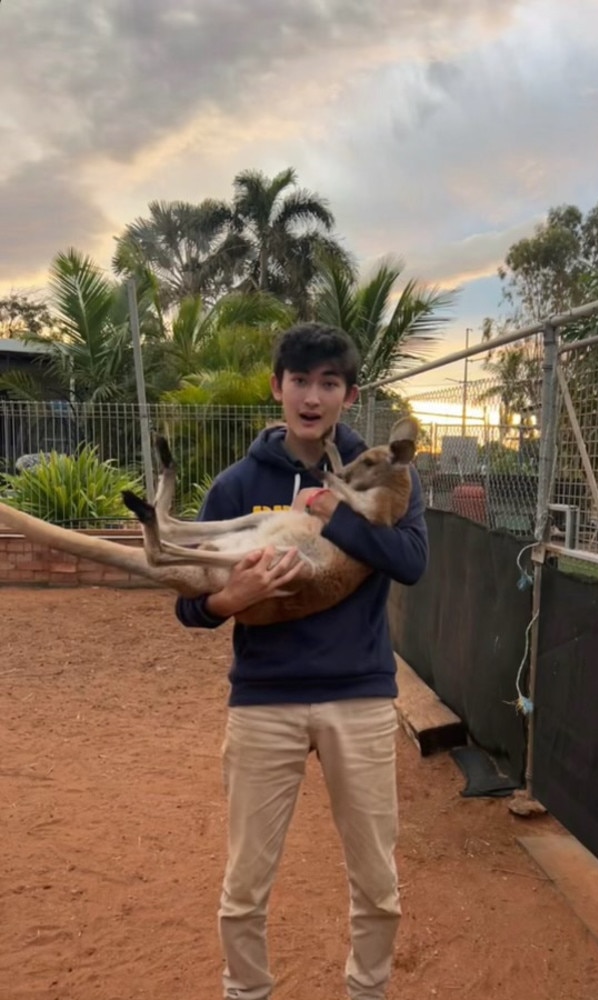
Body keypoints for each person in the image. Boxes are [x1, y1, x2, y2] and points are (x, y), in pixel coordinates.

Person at [175, 322, 428, 1000]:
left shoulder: (384, 473)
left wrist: (331, 510)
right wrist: (232, 598)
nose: (312, 397)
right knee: (244, 886)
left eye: (328, 383)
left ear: (349, 393)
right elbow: (187, 606)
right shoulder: (237, 485)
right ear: (276, 387)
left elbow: (411, 562)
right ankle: (246, 992)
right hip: (265, 699)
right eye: (300, 381)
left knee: (377, 882)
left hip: (361, 696)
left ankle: (367, 990)